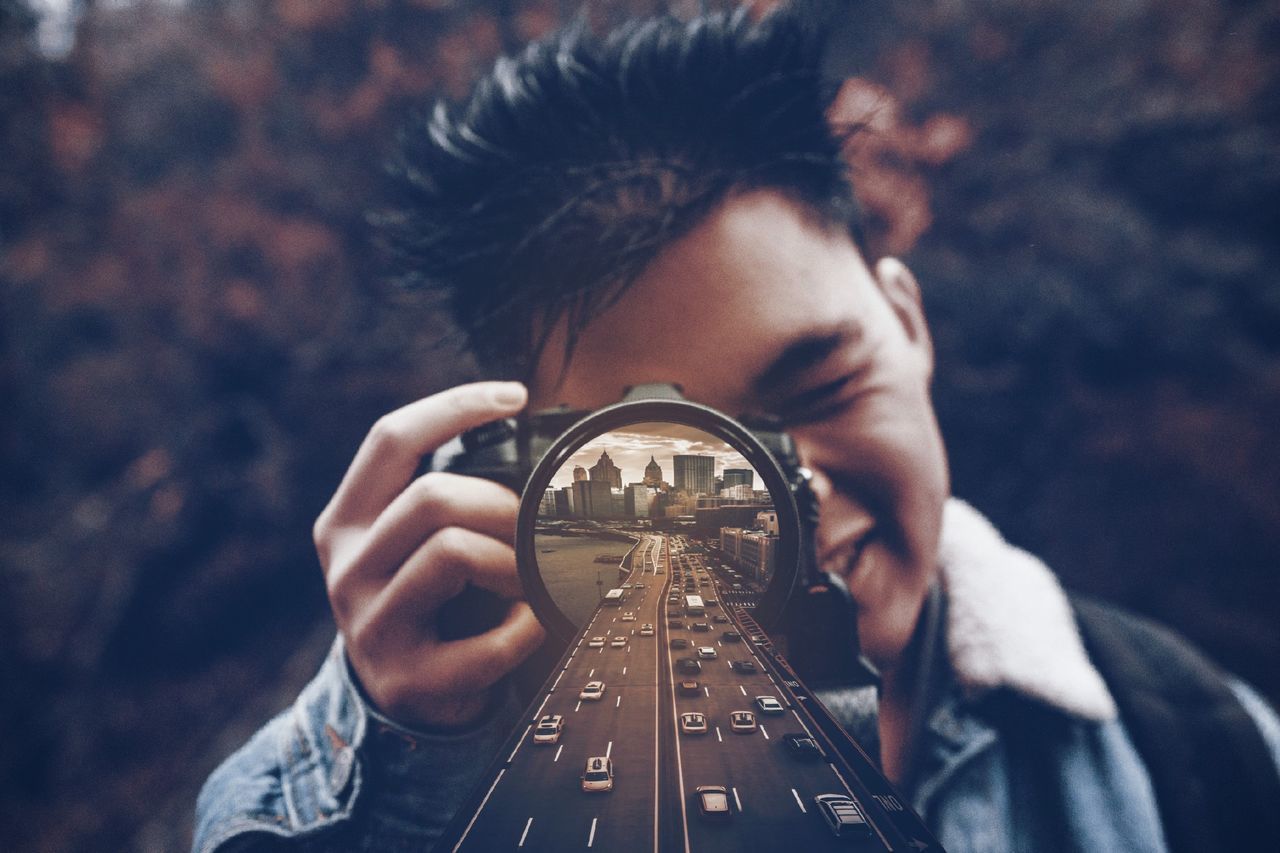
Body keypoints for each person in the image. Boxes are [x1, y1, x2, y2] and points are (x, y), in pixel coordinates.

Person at [193, 7, 1280, 852]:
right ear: (546, 476)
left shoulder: (1194, 746)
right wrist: (401, 763)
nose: (787, 493)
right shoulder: (453, 767)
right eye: (686, 457)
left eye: (819, 386)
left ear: (904, 320)